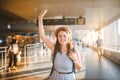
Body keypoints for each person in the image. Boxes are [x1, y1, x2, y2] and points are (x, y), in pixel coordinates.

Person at [38, 9, 83, 80]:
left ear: (68, 37)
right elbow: (43, 36)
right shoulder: (54, 48)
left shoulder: (74, 51)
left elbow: (79, 68)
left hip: (69, 77)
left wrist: (74, 59)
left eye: (64, 36)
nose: (62, 38)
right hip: (55, 76)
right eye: (60, 36)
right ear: (57, 37)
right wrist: (40, 18)